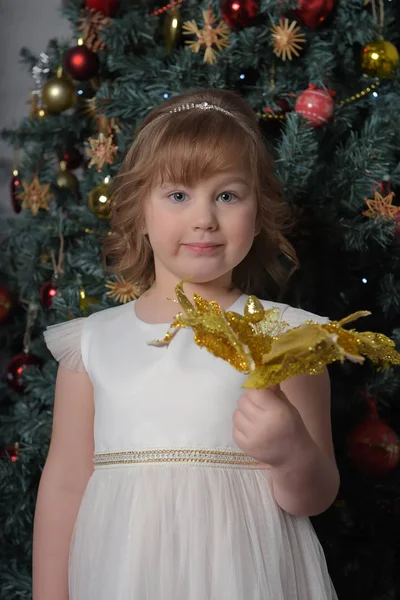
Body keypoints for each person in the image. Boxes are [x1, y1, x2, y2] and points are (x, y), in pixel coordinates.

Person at [32, 88, 340, 600]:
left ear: (258, 211)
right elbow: (65, 486)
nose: (204, 218)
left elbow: (314, 496)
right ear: (138, 212)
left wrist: (291, 452)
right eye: (178, 195)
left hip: (244, 578)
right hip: (122, 576)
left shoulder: (287, 339)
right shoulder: (92, 346)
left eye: (227, 195)